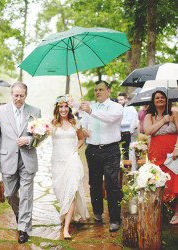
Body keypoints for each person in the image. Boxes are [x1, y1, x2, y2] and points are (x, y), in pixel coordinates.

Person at [0, 82, 41, 244]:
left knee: (26, 194)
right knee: (10, 194)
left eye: (21, 95)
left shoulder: (35, 111)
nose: (18, 98)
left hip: (27, 158)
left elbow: (40, 134)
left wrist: (29, 139)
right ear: (11, 95)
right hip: (7, 158)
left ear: (26, 95)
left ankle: (23, 227)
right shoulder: (0, 111)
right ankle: (20, 214)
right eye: (16, 95)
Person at [80, 80, 123, 232]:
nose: (97, 92)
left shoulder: (116, 107)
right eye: (96, 89)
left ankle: (115, 219)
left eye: (101, 89)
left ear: (108, 91)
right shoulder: (89, 108)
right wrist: (83, 129)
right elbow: (84, 126)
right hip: (92, 149)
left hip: (110, 150)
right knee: (94, 183)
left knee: (112, 185)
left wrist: (90, 111)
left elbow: (109, 119)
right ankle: (98, 212)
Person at [51, 95, 89, 239]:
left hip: (71, 161)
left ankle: (66, 229)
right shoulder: (52, 124)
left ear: (69, 108)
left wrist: (76, 149)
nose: (63, 109)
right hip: (57, 163)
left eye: (66, 106)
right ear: (57, 108)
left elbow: (81, 139)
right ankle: (66, 215)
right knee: (61, 192)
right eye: (61, 106)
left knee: (71, 191)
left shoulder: (75, 123)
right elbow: (40, 137)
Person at [144, 90, 178, 225]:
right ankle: (161, 211)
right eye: (157, 97)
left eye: (162, 97)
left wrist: (177, 148)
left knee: (174, 182)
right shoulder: (149, 116)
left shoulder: (174, 113)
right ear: (153, 101)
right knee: (158, 181)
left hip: (172, 154)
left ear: (166, 100)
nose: (159, 99)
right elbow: (148, 131)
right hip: (156, 154)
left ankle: (176, 212)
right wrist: (163, 121)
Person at [118, 93, 133, 159]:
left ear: (125, 100)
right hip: (118, 134)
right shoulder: (117, 109)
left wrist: (117, 123)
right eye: (118, 100)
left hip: (126, 133)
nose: (119, 102)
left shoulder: (129, 109)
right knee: (117, 152)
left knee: (126, 153)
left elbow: (128, 123)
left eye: (121, 100)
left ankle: (127, 168)